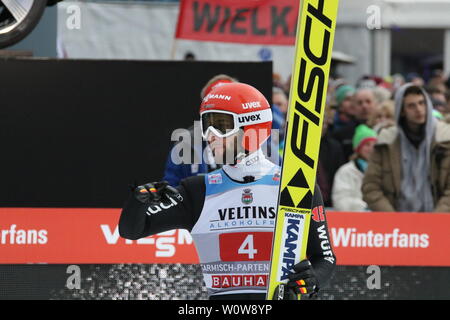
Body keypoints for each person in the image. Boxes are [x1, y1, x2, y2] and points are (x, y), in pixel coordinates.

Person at [119, 83, 336, 300]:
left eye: (220, 125)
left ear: (252, 127)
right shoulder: (198, 190)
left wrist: (313, 280)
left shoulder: (294, 187)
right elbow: (132, 230)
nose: (210, 135)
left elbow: (324, 257)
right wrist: (138, 201)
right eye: (206, 125)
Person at [362, 84, 450, 212]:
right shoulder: (387, 141)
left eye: (421, 103)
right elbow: (370, 187)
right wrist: (394, 220)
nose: (419, 109)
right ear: (401, 111)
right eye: (411, 106)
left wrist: (436, 221)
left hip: (439, 222)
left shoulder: (445, 139)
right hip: (397, 225)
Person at [162, 74, 238, 186]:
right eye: (214, 110)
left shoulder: (254, 140)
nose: (221, 118)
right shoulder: (188, 142)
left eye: (228, 108)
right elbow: (171, 185)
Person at [332, 125, 377, 211]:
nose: (371, 149)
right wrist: (366, 208)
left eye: (374, 145)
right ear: (358, 148)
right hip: (352, 221)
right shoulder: (346, 171)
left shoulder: (382, 170)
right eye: (367, 145)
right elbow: (341, 201)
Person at [333, 87, 378, 160]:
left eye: (368, 101)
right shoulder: (342, 134)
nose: (364, 106)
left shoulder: (384, 130)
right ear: (353, 107)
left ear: (376, 104)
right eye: (360, 103)